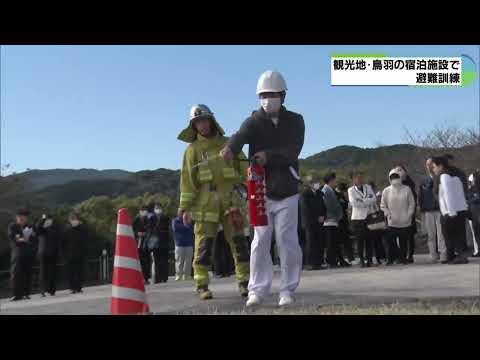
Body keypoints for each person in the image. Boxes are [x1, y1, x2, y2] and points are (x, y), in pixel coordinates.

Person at [220, 70, 305, 307]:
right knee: (260, 240)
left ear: (283, 96)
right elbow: (240, 136)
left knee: (287, 240)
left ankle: (287, 290)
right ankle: (257, 290)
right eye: (263, 95)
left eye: (272, 94)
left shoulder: (296, 121)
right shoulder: (254, 120)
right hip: (260, 190)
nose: (268, 99)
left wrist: (269, 156)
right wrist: (230, 149)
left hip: (287, 189)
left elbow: (292, 152)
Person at [178, 104, 250, 300]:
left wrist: (255, 183)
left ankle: (245, 282)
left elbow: (246, 169)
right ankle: (202, 285)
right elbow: (187, 181)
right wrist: (185, 208)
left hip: (231, 202)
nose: (202, 125)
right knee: (203, 246)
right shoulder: (191, 150)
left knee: (239, 243)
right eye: (197, 122)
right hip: (204, 204)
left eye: (205, 120)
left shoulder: (229, 143)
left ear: (212, 120)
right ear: (193, 126)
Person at [432, 156, 469, 264]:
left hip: (450, 211)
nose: (433, 169)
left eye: (434, 167)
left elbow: (448, 194)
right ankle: (461, 256)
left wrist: (451, 211)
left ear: (440, 166)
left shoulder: (444, 176)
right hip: (460, 209)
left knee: (449, 235)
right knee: (460, 234)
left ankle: (452, 257)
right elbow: (461, 193)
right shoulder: (457, 175)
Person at [381, 169, 416, 265]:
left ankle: (403, 259)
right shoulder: (386, 191)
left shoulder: (407, 189)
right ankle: (390, 258)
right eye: (392, 178)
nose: (395, 179)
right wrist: (387, 213)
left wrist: (409, 215)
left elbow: (412, 203)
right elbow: (383, 205)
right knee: (389, 241)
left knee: (403, 241)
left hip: (405, 221)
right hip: (392, 221)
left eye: (396, 177)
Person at [419, 157, 446, 263]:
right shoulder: (423, 180)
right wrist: (421, 208)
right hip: (428, 211)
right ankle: (433, 254)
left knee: (441, 234)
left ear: (434, 164)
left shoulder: (441, 177)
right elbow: (420, 196)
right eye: (427, 164)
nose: (428, 166)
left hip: (439, 209)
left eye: (430, 164)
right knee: (431, 234)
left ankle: (443, 253)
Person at [348, 172, 377, 267]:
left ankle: (369, 260)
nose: (359, 179)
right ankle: (361, 260)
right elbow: (354, 203)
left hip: (368, 217)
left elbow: (374, 199)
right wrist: (367, 200)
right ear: (353, 179)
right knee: (359, 241)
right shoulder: (351, 190)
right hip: (357, 219)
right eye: (357, 178)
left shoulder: (368, 187)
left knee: (369, 240)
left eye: (361, 177)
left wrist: (362, 200)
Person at [7, 208, 36, 301]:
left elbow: (34, 239)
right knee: (16, 274)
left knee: (28, 273)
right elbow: (14, 237)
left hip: (28, 253)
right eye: (21, 218)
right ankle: (16, 294)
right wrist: (23, 239)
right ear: (17, 218)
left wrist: (29, 239)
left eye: (25, 217)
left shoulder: (30, 226)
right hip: (18, 254)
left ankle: (26, 293)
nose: (23, 219)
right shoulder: (13, 226)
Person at [322, 172, 349, 268]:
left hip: (333, 220)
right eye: (334, 180)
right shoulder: (326, 190)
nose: (335, 182)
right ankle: (331, 261)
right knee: (331, 242)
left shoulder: (330, 190)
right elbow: (329, 205)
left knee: (335, 242)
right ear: (331, 180)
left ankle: (338, 260)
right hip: (329, 219)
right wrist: (338, 213)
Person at [300, 175, 327, 270]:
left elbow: (323, 206)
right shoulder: (305, 194)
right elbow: (306, 210)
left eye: (317, 182)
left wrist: (323, 216)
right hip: (309, 223)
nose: (317, 184)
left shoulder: (320, 193)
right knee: (310, 242)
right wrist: (316, 218)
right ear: (310, 184)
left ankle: (318, 263)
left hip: (320, 222)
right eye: (315, 182)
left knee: (319, 242)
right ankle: (310, 263)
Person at [393, 164, 417, 263]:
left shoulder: (410, 184)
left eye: (400, 170)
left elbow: (413, 200)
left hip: (408, 213)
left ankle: (410, 255)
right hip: (397, 214)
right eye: (396, 170)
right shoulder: (393, 184)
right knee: (399, 236)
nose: (399, 172)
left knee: (410, 235)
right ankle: (401, 255)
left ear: (405, 171)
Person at [35, 214, 61, 297]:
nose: (49, 222)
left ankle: (51, 290)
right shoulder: (41, 229)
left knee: (52, 272)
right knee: (43, 272)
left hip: (53, 253)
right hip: (43, 253)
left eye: (50, 220)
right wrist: (42, 219)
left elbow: (58, 241)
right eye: (47, 220)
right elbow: (37, 228)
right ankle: (42, 290)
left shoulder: (54, 229)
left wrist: (58, 252)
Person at [63, 212, 87, 293]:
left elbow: (85, 239)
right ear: (69, 220)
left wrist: (80, 225)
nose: (74, 221)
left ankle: (79, 287)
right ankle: (72, 288)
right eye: (72, 219)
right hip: (69, 254)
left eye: (75, 219)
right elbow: (63, 243)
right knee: (71, 272)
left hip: (80, 253)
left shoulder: (81, 229)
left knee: (80, 271)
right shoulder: (66, 229)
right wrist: (64, 254)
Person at [149, 204, 171, 283]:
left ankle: (164, 277)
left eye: (159, 208)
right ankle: (157, 278)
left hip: (164, 242)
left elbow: (167, 229)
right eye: (156, 208)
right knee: (156, 261)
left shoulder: (166, 218)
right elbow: (150, 229)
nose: (158, 209)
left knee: (164, 261)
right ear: (154, 209)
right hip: (155, 243)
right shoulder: (151, 218)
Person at [132, 206, 153, 284]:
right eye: (142, 210)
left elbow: (150, 229)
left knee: (147, 261)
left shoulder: (148, 219)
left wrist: (146, 233)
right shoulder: (136, 220)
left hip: (146, 242)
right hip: (138, 243)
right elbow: (131, 230)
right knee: (139, 261)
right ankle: (139, 278)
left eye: (145, 210)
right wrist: (137, 234)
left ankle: (146, 278)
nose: (144, 212)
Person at [172, 209, 194, 281]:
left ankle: (187, 275)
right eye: (181, 212)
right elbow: (176, 228)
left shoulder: (190, 220)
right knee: (179, 260)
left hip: (189, 243)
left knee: (188, 261)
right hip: (179, 244)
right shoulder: (175, 220)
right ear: (178, 213)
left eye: (184, 212)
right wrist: (186, 225)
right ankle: (178, 275)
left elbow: (191, 229)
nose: (182, 213)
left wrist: (186, 224)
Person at [368, 181, 387, 264]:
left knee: (378, 241)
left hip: (376, 221)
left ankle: (381, 257)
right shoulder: (376, 195)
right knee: (378, 241)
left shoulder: (378, 195)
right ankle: (380, 257)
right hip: (376, 221)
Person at [336, 182, 353, 263]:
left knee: (347, 240)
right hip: (339, 222)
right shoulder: (336, 195)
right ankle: (341, 258)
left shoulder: (342, 196)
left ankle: (350, 257)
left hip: (344, 221)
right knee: (341, 242)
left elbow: (346, 205)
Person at [467, 171, 480, 257]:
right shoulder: (471, 190)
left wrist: (469, 201)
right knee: (476, 233)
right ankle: (478, 250)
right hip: (473, 214)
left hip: (476, 213)